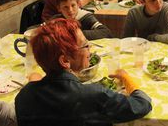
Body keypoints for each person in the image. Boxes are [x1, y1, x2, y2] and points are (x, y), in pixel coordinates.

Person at [15, 18, 152, 126]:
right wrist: (127, 79)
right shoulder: (93, 95)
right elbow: (142, 104)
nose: (90, 48)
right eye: (85, 45)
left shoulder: (23, 97)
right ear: (64, 61)